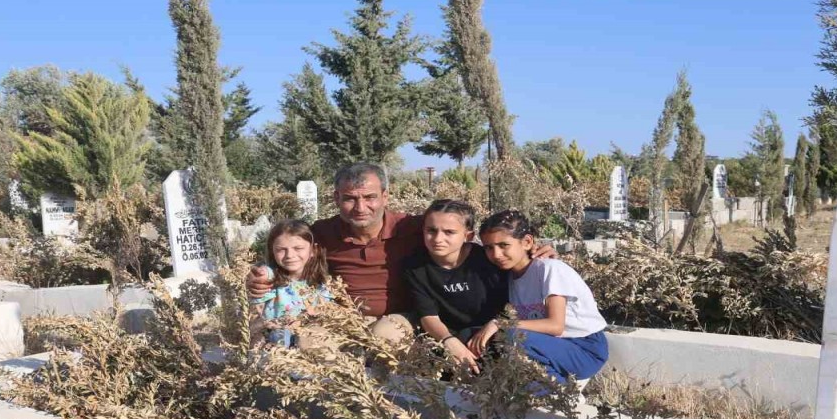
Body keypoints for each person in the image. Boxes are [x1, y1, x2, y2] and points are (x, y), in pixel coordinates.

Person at [247, 162, 558, 343]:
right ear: (335, 197)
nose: (360, 207)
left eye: (369, 197)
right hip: (343, 317)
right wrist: (263, 276)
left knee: (385, 336)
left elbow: (462, 234)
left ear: (385, 195)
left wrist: (532, 252)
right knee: (311, 342)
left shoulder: (414, 227)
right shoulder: (323, 233)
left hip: (404, 316)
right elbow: (290, 250)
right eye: (349, 199)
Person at [471, 210, 609, 384]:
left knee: (512, 336)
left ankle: (562, 392)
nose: (496, 254)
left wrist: (499, 323)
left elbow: (555, 325)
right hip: (548, 345)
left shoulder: (549, 269)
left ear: (527, 242)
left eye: (504, 245)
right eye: (489, 248)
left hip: (584, 349)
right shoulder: (508, 277)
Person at [403, 199, 506, 373]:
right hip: (446, 336)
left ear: (468, 236)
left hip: (489, 333)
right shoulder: (415, 267)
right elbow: (428, 316)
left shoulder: (486, 258)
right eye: (431, 230)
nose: (438, 239)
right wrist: (448, 340)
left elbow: (512, 303)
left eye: (449, 232)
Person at [250, 220, 333, 347]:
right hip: (275, 340)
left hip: (307, 338)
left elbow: (325, 312)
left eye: (298, 248)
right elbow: (261, 274)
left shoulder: (322, 282)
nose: (290, 255)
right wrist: (258, 275)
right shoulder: (271, 279)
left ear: (313, 250)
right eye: (281, 250)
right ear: (272, 252)